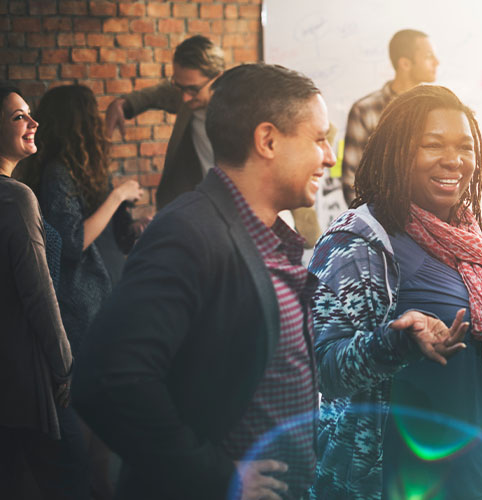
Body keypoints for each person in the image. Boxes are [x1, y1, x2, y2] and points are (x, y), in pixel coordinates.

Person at [73, 64, 334, 500]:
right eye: (320, 138)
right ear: (267, 140)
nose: (329, 156)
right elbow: (108, 379)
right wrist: (213, 475)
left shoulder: (267, 235)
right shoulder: (190, 231)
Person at [309, 85, 482, 500]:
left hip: (479, 467)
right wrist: (397, 342)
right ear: (397, 152)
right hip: (397, 476)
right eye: (432, 145)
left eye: (465, 147)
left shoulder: (474, 240)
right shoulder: (360, 241)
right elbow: (327, 369)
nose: (454, 161)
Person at [16, 84, 145, 500]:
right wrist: (118, 195)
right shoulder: (57, 173)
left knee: (102, 423)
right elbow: (73, 243)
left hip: (93, 310)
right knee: (92, 423)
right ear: (81, 124)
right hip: (75, 313)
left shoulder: (76, 168)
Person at [0, 84, 80, 498]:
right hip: (24, 374)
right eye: (18, 117)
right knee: (72, 481)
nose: (33, 123)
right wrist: (65, 365)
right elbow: (38, 293)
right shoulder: (15, 199)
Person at [105, 35, 224, 210]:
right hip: (188, 204)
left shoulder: (239, 111)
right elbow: (158, 93)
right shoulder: (186, 94)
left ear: (218, 78)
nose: (184, 97)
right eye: (179, 86)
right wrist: (123, 104)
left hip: (227, 208)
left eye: (193, 89)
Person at [340, 29, 439, 205]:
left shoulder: (438, 112)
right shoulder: (365, 110)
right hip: (380, 223)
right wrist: (375, 225)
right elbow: (351, 180)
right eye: (428, 56)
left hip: (431, 222)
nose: (437, 62)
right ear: (405, 63)